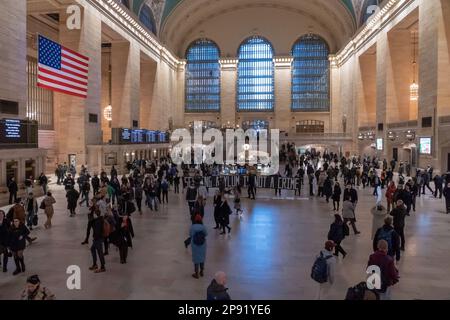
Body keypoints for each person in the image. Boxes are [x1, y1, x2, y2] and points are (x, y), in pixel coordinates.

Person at [190, 214, 208, 279]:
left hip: (195, 244)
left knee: (196, 258)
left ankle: (196, 273)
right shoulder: (203, 227)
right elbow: (206, 234)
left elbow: (190, 234)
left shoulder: (192, 226)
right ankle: (202, 271)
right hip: (202, 244)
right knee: (202, 258)